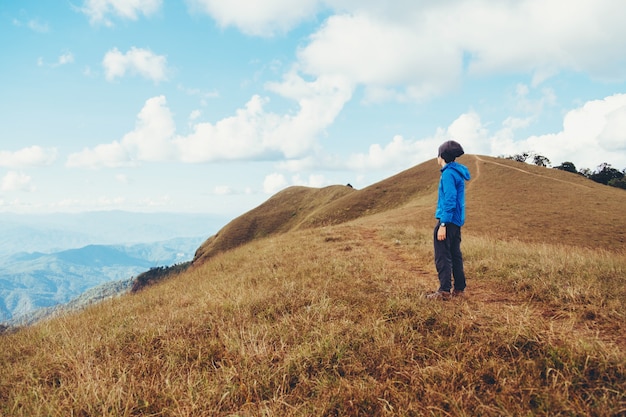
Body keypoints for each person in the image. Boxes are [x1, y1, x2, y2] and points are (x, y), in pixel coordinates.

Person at [426, 140, 471, 300]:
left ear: (442, 156)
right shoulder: (457, 172)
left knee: (442, 255)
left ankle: (444, 291)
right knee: (454, 254)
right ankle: (459, 288)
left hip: (448, 221)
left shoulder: (448, 174)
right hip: (456, 221)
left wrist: (443, 224)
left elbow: (450, 200)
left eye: (438, 154)